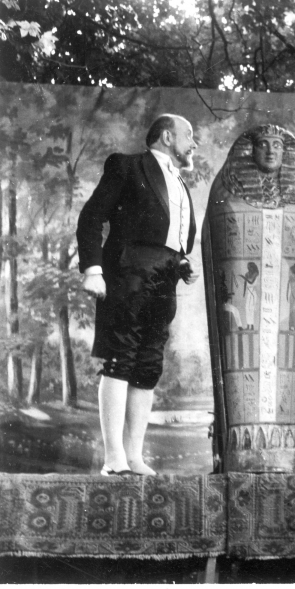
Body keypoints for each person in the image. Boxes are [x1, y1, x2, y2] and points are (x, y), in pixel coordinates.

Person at [76, 114, 199, 476]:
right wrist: (93, 271)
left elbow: (172, 235)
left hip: (164, 279)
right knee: (121, 358)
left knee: (148, 364)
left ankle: (134, 457)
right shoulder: (127, 166)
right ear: (167, 137)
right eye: (188, 135)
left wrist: (182, 262)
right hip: (126, 273)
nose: (193, 143)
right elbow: (91, 217)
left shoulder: (179, 180)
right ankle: (113, 458)